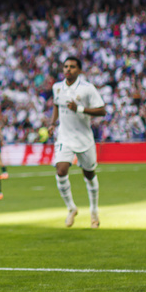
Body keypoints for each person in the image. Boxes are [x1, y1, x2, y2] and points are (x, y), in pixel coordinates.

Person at [47, 56, 105, 228]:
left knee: (89, 174)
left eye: (72, 67)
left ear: (79, 70)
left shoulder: (88, 89)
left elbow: (102, 111)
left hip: (84, 138)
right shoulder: (57, 87)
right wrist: (52, 123)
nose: (68, 69)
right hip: (64, 137)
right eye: (65, 66)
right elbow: (57, 105)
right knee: (61, 169)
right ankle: (71, 208)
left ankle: (94, 211)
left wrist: (79, 108)